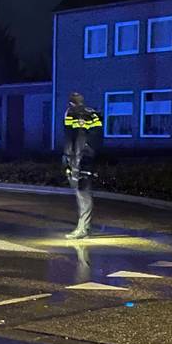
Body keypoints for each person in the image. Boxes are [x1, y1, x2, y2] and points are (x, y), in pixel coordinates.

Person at [63, 92, 103, 239]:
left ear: (71, 103)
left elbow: (70, 136)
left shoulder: (71, 113)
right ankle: (84, 226)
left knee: (81, 193)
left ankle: (83, 229)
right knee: (85, 191)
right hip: (90, 156)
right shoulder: (93, 113)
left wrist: (67, 157)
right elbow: (98, 136)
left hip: (78, 157)